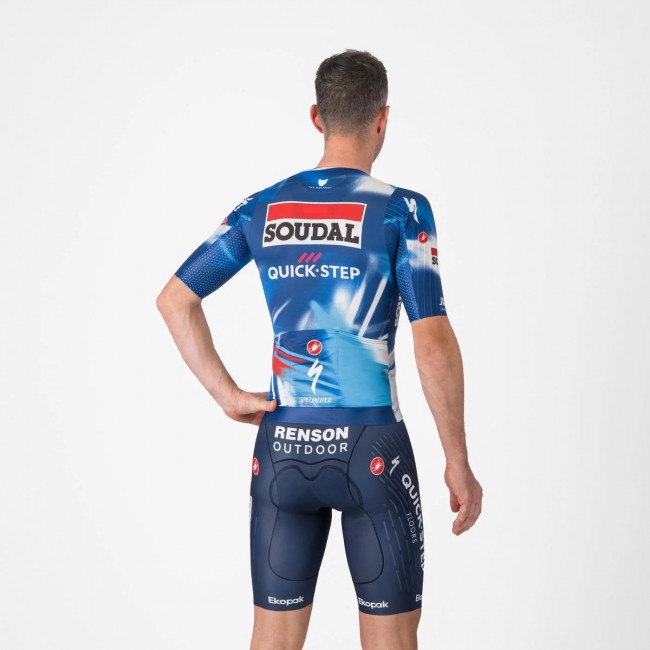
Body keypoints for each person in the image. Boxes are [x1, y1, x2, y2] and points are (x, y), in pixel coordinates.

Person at [157, 49, 482, 650]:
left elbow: (175, 300)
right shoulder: (402, 211)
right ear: (382, 119)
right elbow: (433, 344)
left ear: (317, 117)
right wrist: (457, 460)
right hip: (370, 446)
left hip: (283, 444)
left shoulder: (261, 208)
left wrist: (227, 395)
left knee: (272, 641)